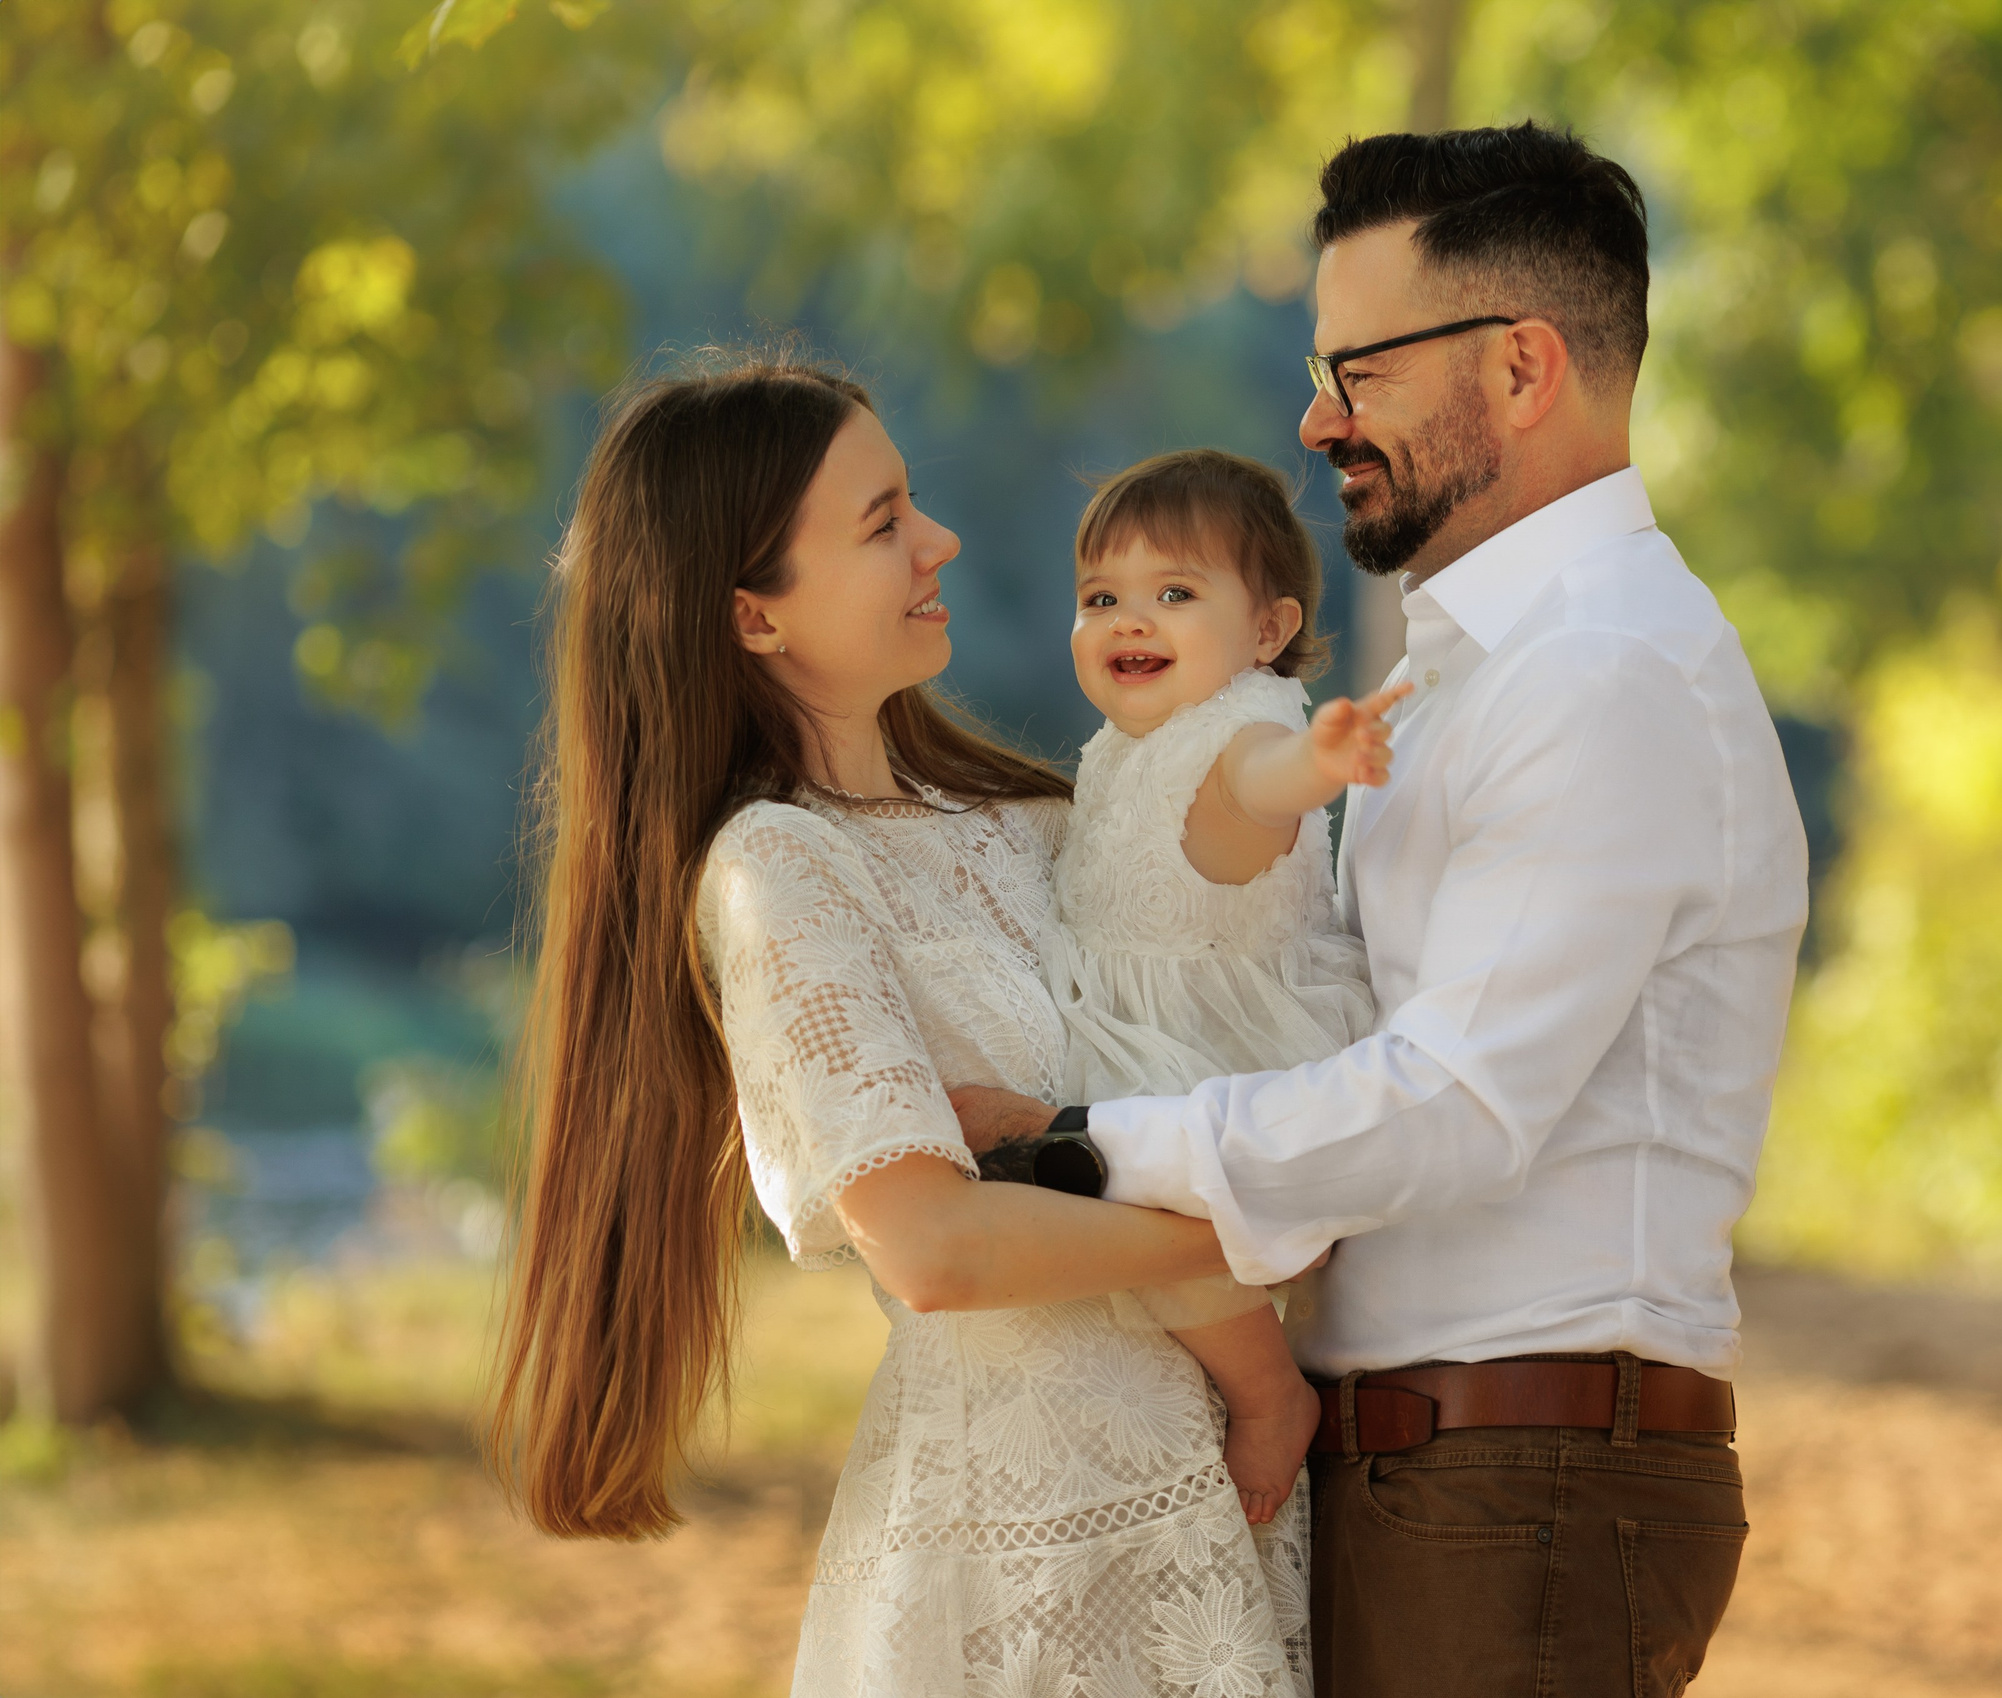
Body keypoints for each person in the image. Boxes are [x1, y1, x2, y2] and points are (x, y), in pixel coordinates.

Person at [952, 123, 1810, 1697]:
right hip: (1445, 1474)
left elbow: (1457, 1103)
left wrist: (1077, 1142)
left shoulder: (1601, 671)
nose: (1315, 415)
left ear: (1525, 369)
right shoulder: (1461, 673)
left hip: (1522, 1486)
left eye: (1361, 370)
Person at [487, 356, 1314, 1697]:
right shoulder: (780, 871)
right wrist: (1256, 1221)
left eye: (911, 502)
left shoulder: (1041, 824)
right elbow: (934, 1244)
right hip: (1023, 1546)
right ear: (755, 616)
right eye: (881, 523)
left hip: (1224, 1492)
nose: (941, 540)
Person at [1040, 448, 1408, 1527]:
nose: (1127, 621)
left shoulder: (1245, 729)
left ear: (1266, 632)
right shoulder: (1121, 745)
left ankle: (1266, 1396)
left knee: (1145, 1201)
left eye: (1174, 593)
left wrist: (1321, 763)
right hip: (1143, 1027)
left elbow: (1262, 786)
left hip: (1214, 1044)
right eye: (1099, 597)